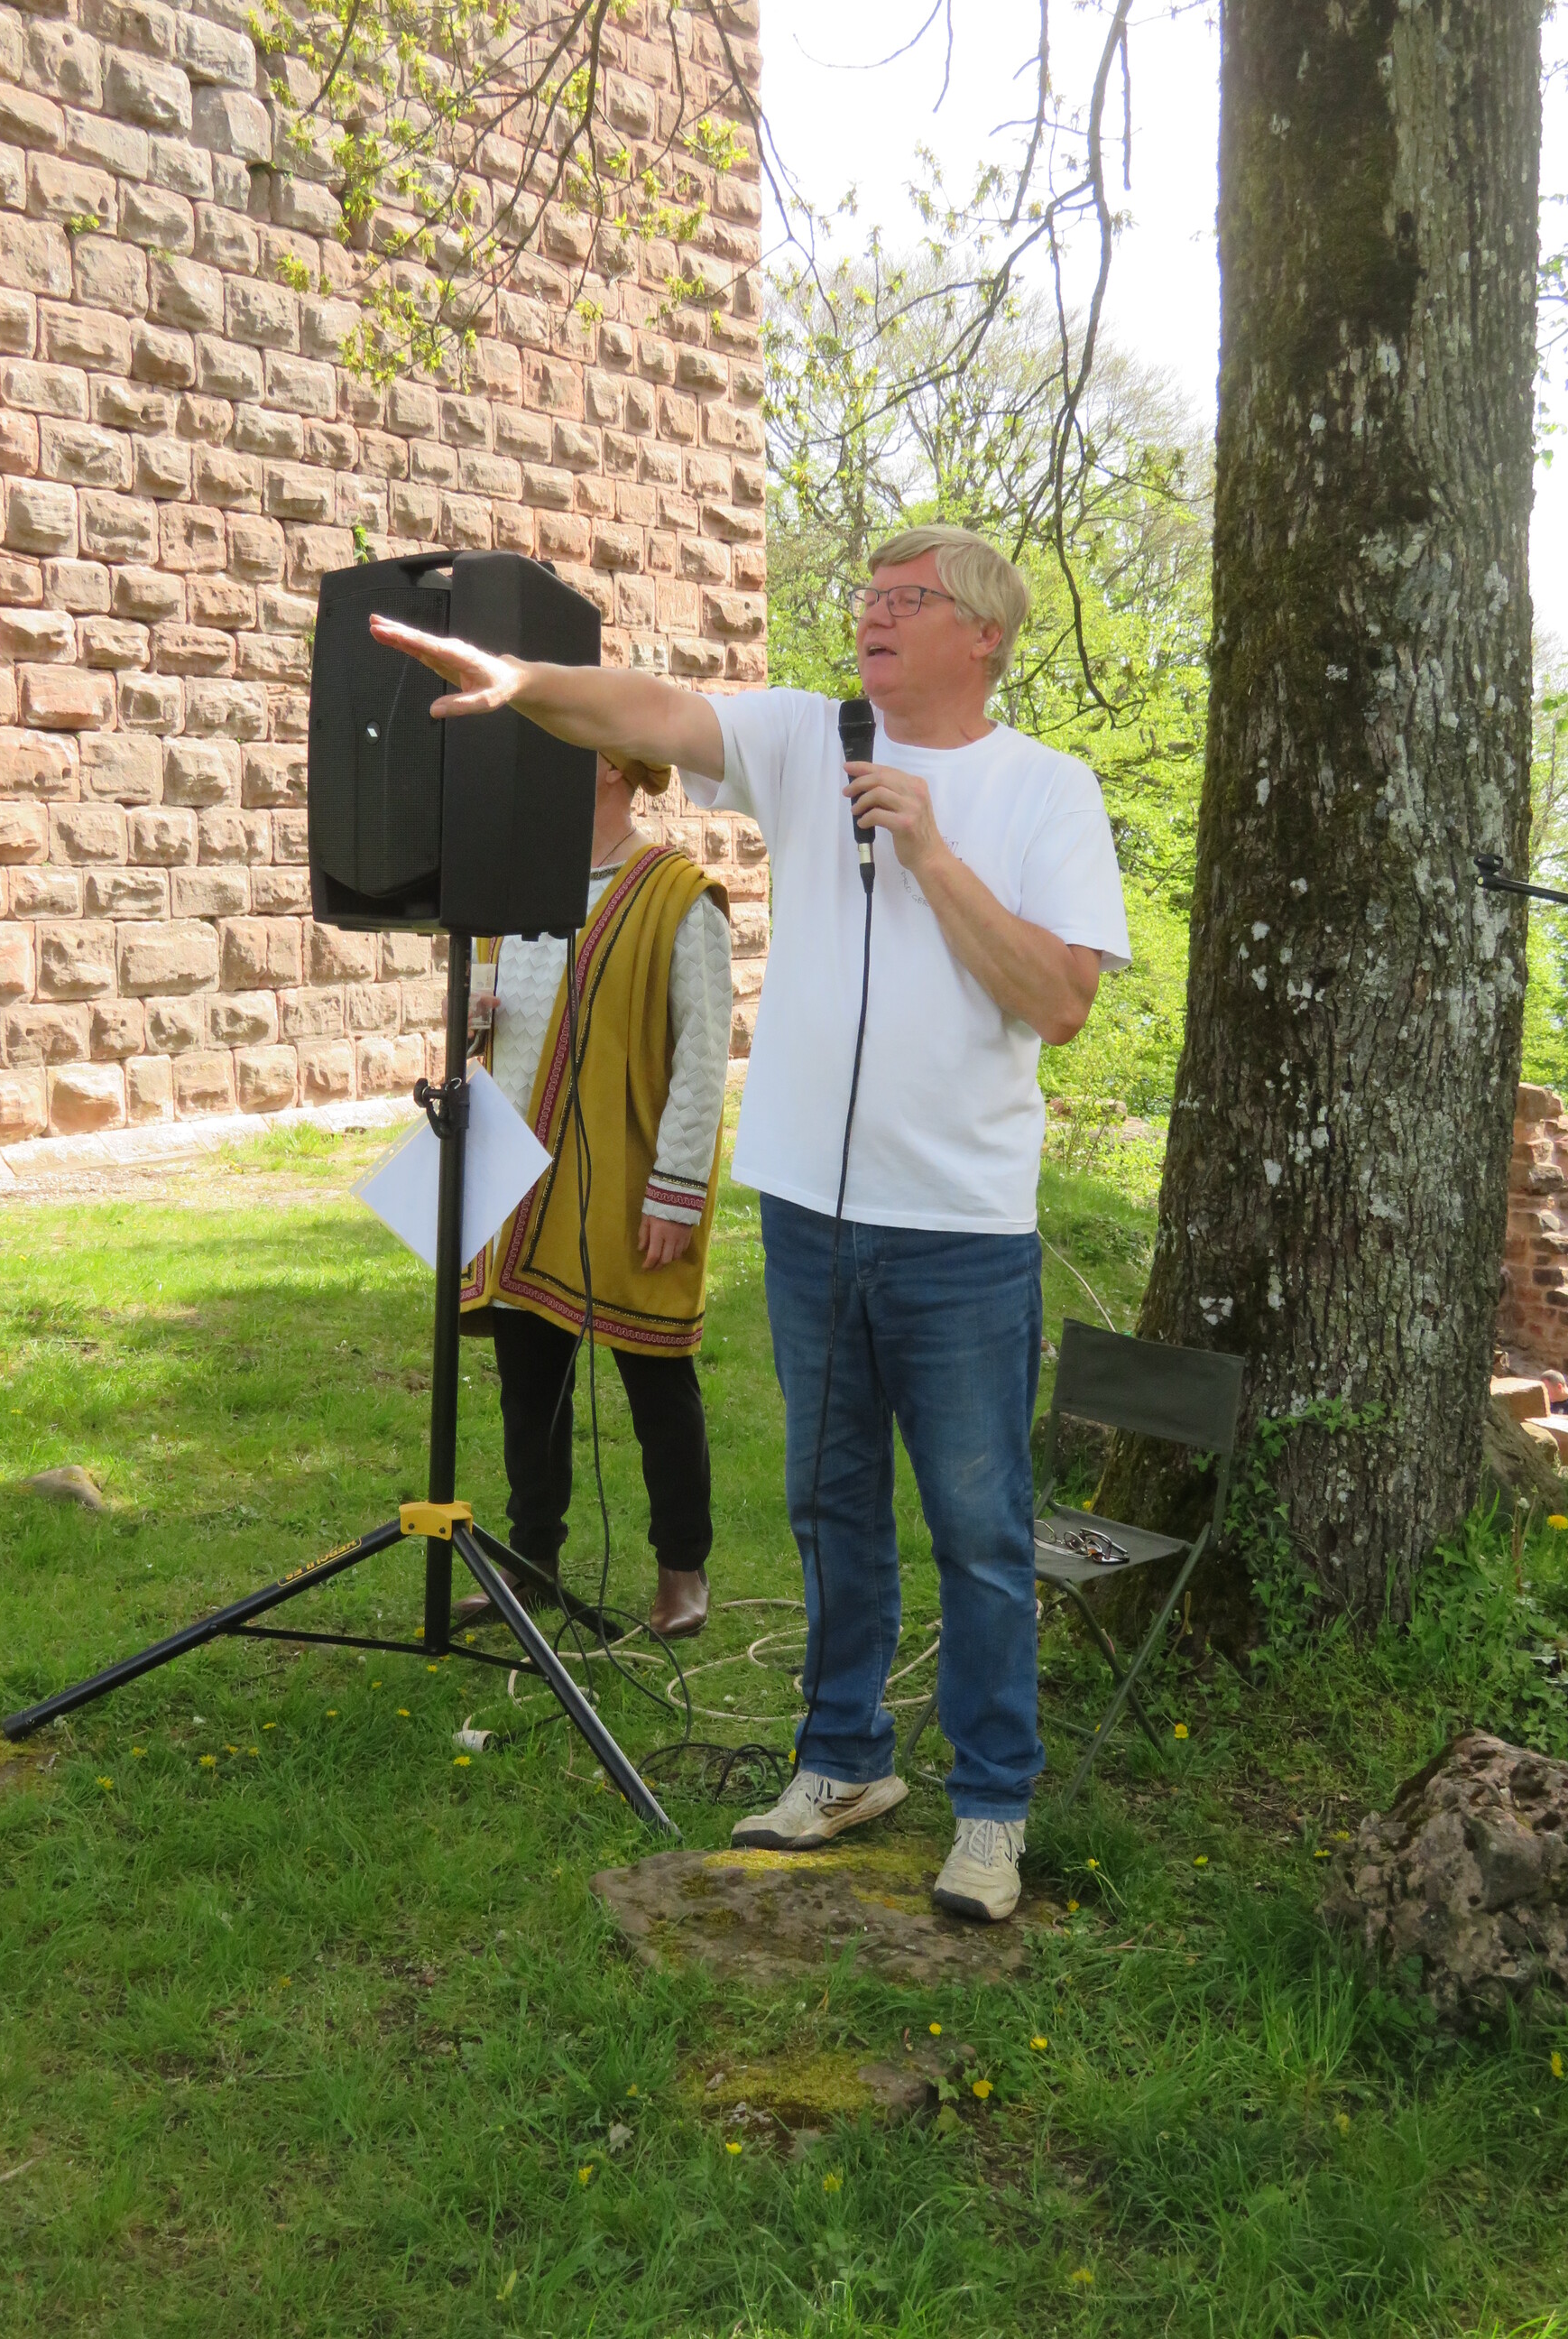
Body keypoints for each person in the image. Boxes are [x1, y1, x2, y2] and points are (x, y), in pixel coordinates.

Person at [369, 523, 1130, 1920]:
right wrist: (526, 680)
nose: (872, 614)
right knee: (830, 1507)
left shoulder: (1045, 791)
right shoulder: (804, 739)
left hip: (960, 1233)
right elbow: (655, 713)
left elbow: (1062, 1002)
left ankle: (991, 1808)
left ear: (984, 634)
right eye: (868, 595)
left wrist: (932, 853)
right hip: (811, 1216)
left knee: (978, 1528)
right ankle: (842, 1763)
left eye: (906, 599)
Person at [455, 750, 733, 1642]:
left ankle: (682, 1567)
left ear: (613, 765)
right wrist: (473, 1016)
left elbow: (703, 1056)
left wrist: (676, 1191)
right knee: (528, 1380)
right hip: (520, 1167)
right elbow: (490, 1015)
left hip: (625, 1167)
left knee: (656, 1373)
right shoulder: (516, 886)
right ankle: (531, 1558)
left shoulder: (677, 897)